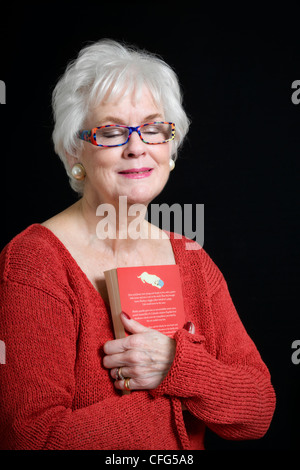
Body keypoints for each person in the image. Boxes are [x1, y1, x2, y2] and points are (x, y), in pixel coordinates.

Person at [0, 39, 275, 450]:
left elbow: (258, 409)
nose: (136, 147)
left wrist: (174, 365)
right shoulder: (34, 262)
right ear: (75, 150)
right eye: (111, 131)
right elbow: (34, 441)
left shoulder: (192, 260)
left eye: (153, 127)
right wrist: (180, 398)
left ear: (171, 146)